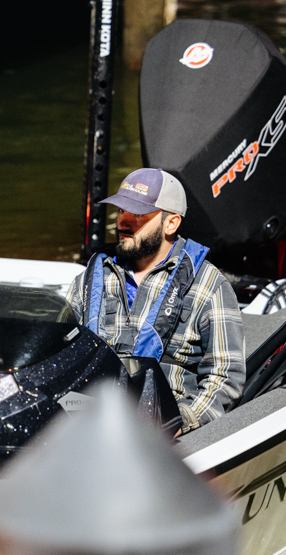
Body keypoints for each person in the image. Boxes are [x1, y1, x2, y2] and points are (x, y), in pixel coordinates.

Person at [66, 168, 245, 433]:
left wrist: (180, 421)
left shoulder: (210, 286)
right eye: (121, 210)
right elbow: (60, 352)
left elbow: (225, 378)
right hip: (90, 420)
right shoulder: (91, 278)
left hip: (163, 431)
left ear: (171, 223)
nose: (123, 222)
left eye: (138, 214)